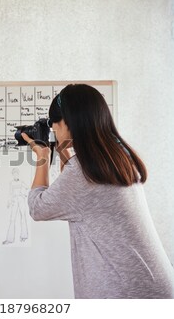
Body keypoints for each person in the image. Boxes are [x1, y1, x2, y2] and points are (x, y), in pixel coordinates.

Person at [23, 84, 174, 298]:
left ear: (66, 121)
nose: (53, 130)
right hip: (153, 286)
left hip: (126, 294)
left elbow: (37, 207)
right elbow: (76, 190)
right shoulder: (119, 156)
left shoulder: (82, 173)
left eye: (53, 123)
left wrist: (43, 158)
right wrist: (63, 148)